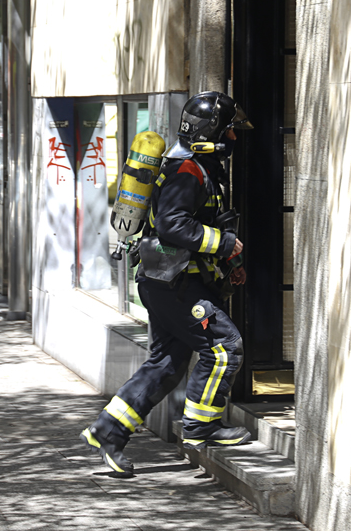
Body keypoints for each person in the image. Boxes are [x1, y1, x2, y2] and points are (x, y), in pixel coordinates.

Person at [80, 91, 254, 477]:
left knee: (166, 364)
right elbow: (174, 225)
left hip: (169, 281)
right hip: (173, 284)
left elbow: (212, 220)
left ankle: (108, 431)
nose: (234, 140)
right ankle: (201, 427)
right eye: (229, 131)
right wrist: (223, 244)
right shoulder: (186, 170)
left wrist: (232, 259)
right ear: (211, 133)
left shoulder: (204, 169)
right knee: (225, 348)